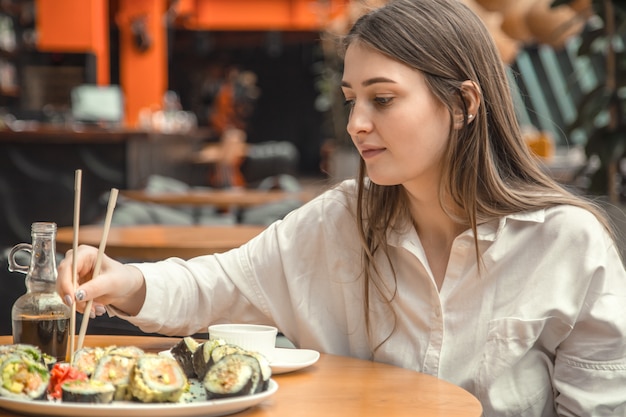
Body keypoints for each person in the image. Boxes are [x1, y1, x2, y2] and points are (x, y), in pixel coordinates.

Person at [58, 0, 626, 415]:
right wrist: (124, 280)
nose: (357, 124)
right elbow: (215, 283)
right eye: (352, 100)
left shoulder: (565, 243)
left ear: (464, 102)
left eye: (382, 99)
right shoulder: (337, 223)